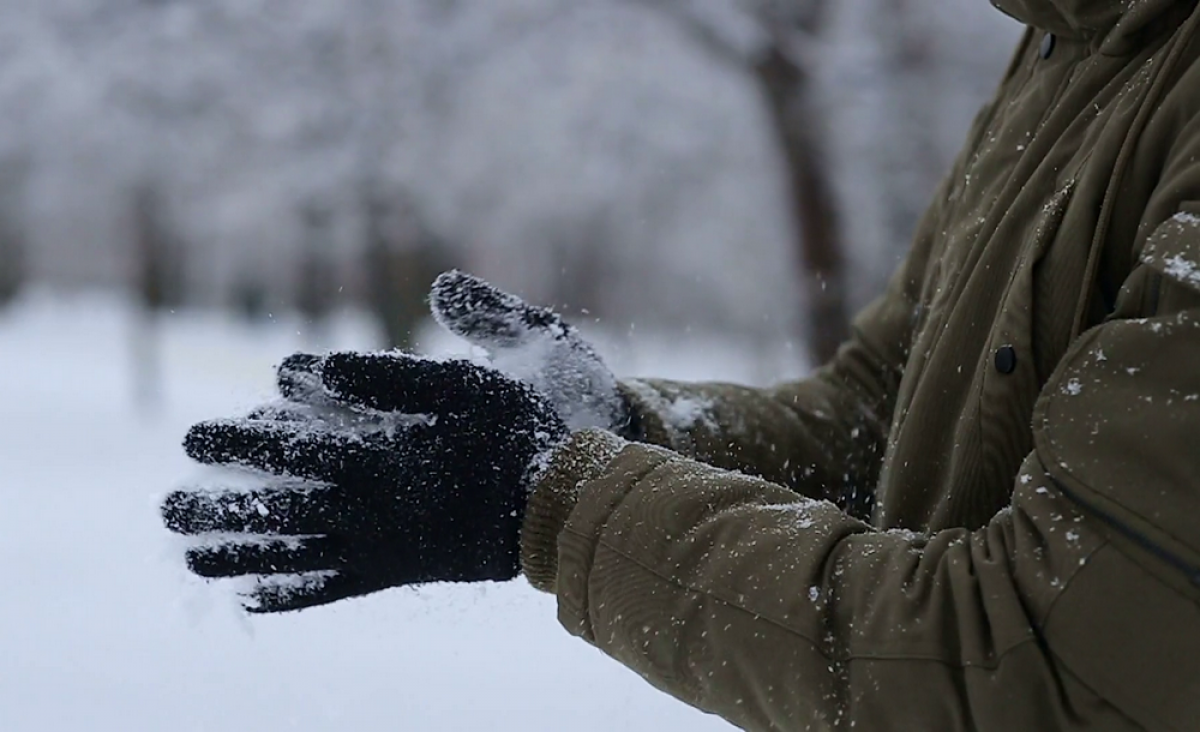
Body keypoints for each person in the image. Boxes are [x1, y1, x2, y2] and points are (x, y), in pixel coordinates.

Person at [161, 0, 1200, 728]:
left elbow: (1047, 668)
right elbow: (882, 412)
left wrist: (556, 499)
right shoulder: (1074, 44)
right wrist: (623, 428)